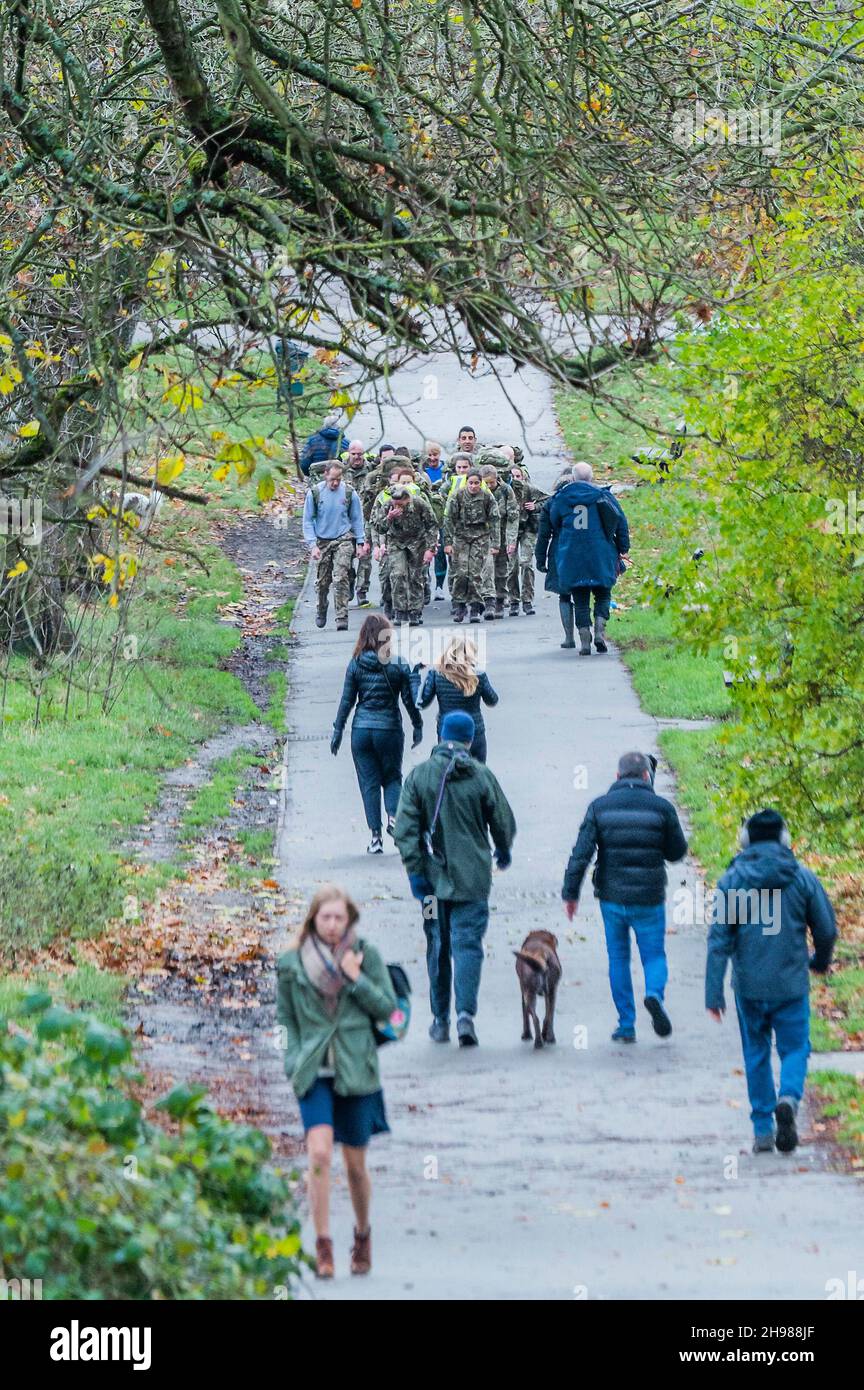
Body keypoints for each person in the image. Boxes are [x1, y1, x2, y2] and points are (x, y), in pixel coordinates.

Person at [276, 885, 398, 1279]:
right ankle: (323, 1244)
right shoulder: (292, 964)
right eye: (325, 917)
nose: (331, 925)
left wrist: (355, 978)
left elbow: (389, 1011)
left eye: (339, 918)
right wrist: (292, 1060)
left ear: (350, 920)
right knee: (319, 1155)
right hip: (313, 1071)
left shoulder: (365, 955)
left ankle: (362, 1235)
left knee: (355, 1166)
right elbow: (286, 1020)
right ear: (313, 919)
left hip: (356, 1069)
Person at [706, 809, 836, 1155]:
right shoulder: (802, 879)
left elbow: (719, 940)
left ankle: (763, 1129)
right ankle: (790, 1098)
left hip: (748, 987)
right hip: (791, 983)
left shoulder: (732, 882)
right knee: (795, 1048)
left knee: (756, 1052)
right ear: (785, 839)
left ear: (744, 840)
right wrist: (820, 961)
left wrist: (713, 992)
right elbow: (826, 930)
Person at [394, 710, 516, 1047]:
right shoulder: (481, 776)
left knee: (436, 944)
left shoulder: (419, 777)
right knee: (467, 945)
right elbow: (504, 821)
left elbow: (404, 832)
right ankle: (465, 1015)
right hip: (474, 880)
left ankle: (439, 1019)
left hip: (430, 889)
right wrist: (502, 850)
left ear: (440, 736)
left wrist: (417, 874)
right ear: (470, 739)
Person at [562, 750, 687, 1043]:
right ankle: (654, 994)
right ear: (647, 776)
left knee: (618, 957)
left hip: (612, 897)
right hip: (649, 896)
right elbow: (677, 852)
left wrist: (571, 893)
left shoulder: (600, 807)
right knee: (654, 955)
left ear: (617, 776)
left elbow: (580, 853)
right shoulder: (662, 808)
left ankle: (626, 1024)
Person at [331, 614, 422, 852]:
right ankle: (393, 817)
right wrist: (418, 725)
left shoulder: (356, 663)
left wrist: (338, 730)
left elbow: (347, 701)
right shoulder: (398, 664)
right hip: (389, 729)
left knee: (369, 783)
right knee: (392, 777)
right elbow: (410, 701)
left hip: (361, 730)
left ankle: (375, 838)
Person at [535, 461, 629, 653]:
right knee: (603, 593)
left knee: (580, 597)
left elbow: (546, 530)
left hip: (571, 554)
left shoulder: (559, 499)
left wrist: (540, 558)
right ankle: (600, 631)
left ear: (573, 477)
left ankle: (584, 639)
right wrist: (622, 548)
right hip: (601, 552)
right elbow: (620, 521)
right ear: (591, 477)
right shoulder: (603, 495)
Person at [302, 462, 368, 631]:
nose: (336, 483)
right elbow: (308, 520)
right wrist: (312, 545)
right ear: (325, 475)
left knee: (340, 577)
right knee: (323, 583)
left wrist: (360, 542)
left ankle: (341, 616)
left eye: (338, 479)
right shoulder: (315, 493)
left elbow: (357, 519)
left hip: (343, 539)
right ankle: (322, 609)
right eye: (332, 479)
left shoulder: (349, 493)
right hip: (322, 540)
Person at [418, 637, 498, 762]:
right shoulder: (478, 675)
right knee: (477, 775)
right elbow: (492, 700)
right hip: (474, 732)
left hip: (446, 733)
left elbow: (422, 702)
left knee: (447, 774)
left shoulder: (437, 674)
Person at [374, 485, 439, 627]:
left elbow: (432, 525)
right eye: (395, 503)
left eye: (401, 503)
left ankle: (415, 610)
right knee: (398, 574)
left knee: (416, 576)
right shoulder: (387, 506)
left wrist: (431, 548)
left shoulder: (419, 504)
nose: (397, 506)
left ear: (408, 500)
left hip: (417, 542)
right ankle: (399, 610)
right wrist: (389, 518)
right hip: (396, 542)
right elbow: (379, 528)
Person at [443, 468, 499, 623]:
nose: (474, 486)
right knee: (461, 572)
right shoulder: (457, 496)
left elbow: (494, 519)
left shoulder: (487, 497)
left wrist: (495, 543)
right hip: (461, 536)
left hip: (480, 536)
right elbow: (448, 519)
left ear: (480, 483)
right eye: (471, 483)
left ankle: (475, 606)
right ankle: (460, 604)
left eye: (477, 483)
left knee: (475, 572)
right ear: (466, 482)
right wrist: (447, 543)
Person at [479, 464, 519, 618]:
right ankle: (486, 599)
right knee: (484, 568)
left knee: (501, 570)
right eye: (486, 483)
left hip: (502, 533)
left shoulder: (506, 491)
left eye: (491, 483)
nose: (489, 486)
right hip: (483, 534)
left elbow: (512, 517)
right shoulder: (478, 491)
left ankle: (500, 600)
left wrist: (511, 541)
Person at [507, 464, 546, 616]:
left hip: (528, 529)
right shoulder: (505, 491)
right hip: (510, 531)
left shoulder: (530, 489)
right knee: (511, 566)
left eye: (518, 476)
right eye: (512, 476)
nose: (515, 480)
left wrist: (535, 506)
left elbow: (549, 499)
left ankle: (527, 600)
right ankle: (513, 600)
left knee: (526, 563)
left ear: (523, 477)